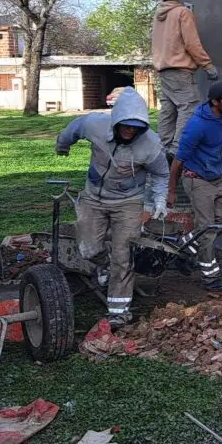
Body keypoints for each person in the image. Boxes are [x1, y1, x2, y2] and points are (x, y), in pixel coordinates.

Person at [55, 87, 168, 327]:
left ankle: (119, 311)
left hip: (128, 202)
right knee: (88, 248)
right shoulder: (95, 124)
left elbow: (160, 174)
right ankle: (105, 264)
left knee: (123, 254)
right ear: (116, 121)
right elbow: (74, 128)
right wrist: (63, 145)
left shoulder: (151, 145)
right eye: (126, 125)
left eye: (136, 127)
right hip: (93, 197)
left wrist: (159, 200)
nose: (130, 131)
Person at [167, 80, 222, 291]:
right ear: (215, 102)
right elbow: (178, 161)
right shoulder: (196, 126)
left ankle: (183, 248)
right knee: (207, 229)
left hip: (218, 177)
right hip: (197, 179)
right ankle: (211, 278)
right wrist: (171, 191)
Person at [151, 0, 219, 158]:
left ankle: (162, 147)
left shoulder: (158, 16)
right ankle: (175, 151)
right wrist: (207, 65)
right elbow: (191, 43)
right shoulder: (182, 13)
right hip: (180, 70)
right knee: (189, 107)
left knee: (168, 110)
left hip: (164, 70)